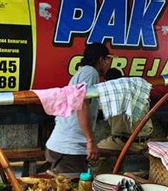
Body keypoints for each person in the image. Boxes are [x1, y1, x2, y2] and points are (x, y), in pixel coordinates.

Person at [45, 43, 112, 174]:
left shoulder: (83, 73)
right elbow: (81, 104)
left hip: (62, 147)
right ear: (101, 60)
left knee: (59, 189)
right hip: (70, 149)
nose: (109, 63)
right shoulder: (90, 72)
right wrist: (90, 141)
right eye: (108, 59)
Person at [91, 68, 153, 174]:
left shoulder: (110, 95)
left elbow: (95, 108)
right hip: (146, 141)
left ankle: (101, 182)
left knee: (93, 154)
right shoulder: (138, 92)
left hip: (126, 143)